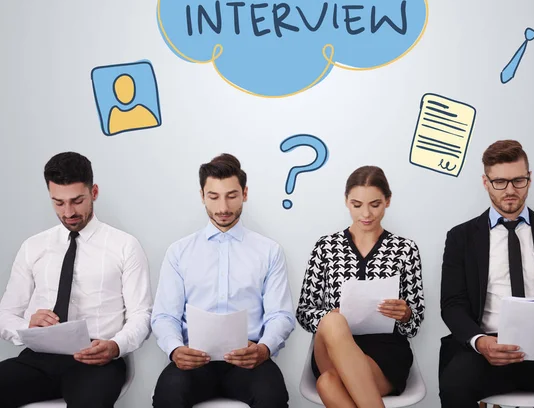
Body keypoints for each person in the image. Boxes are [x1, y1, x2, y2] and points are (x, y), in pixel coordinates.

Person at [0, 151, 152, 408]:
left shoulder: (125, 246)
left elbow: (142, 314)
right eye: (58, 203)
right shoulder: (33, 247)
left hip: (97, 360)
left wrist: (116, 346)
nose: (68, 212)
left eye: (77, 200)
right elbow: (6, 314)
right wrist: (28, 325)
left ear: (94, 192)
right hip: (39, 357)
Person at [439, 139, 534, 407]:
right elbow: (452, 304)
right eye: (500, 182)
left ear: (529, 179)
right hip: (487, 351)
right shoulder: (461, 237)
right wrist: (480, 343)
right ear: (485, 182)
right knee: (454, 387)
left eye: (518, 180)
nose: (510, 190)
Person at [151, 153, 295, 408]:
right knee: (167, 396)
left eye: (231, 195)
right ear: (202, 196)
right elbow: (165, 316)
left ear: (245, 193)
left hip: (249, 361)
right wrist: (175, 350)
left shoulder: (269, 251)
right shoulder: (179, 252)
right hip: (194, 361)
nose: (223, 208)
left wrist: (263, 349)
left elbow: (280, 315)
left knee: (272, 397)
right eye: (213, 197)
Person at [297, 165, 425, 408]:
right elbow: (304, 313)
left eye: (374, 204)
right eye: (357, 205)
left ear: (387, 201)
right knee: (333, 322)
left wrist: (406, 314)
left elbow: (415, 323)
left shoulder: (405, 249)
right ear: (346, 201)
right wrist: (331, 316)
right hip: (332, 347)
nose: (366, 213)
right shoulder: (325, 247)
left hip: (385, 353)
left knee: (328, 384)